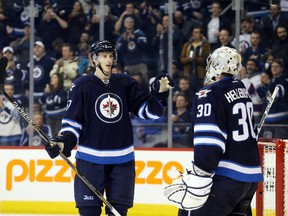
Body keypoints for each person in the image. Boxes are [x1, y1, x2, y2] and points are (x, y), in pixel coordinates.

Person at [44, 40, 174, 216]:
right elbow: (72, 123)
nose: (108, 60)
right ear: (94, 60)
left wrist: (158, 96)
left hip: (122, 161)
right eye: (104, 56)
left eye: (111, 56)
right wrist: (63, 142)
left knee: (119, 212)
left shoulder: (125, 83)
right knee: (88, 212)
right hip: (90, 161)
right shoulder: (82, 85)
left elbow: (149, 113)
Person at [164, 46, 263, 216]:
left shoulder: (208, 93)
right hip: (249, 179)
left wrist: (200, 173)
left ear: (217, 66)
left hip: (225, 177)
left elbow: (209, 141)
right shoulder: (241, 90)